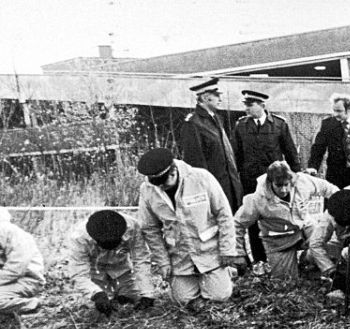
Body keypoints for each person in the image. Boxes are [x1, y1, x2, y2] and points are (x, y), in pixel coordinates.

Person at [137, 147, 245, 309]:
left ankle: (224, 274)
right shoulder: (147, 190)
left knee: (220, 296)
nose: (161, 188)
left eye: (164, 183)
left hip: (210, 252)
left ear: (173, 171)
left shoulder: (201, 177)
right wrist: (163, 262)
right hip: (180, 257)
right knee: (182, 300)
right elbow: (150, 229)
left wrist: (227, 250)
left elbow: (224, 214)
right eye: (157, 185)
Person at [234, 161, 338, 282]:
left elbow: (328, 188)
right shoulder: (258, 199)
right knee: (286, 282)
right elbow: (237, 224)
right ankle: (295, 267)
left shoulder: (302, 182)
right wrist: (238, 252)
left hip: (305, 228)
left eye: (286, 184)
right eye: (278, 185)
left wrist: (343, 204)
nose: (283, 190)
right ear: (270, 182)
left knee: (328, 244)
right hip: (279, 242)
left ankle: (308, 262)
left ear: (291, 180)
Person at [233, 89, 302, 269]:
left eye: (251, 105)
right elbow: (237, 155)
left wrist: (296, 174)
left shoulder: (279, 124)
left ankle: (283, 253)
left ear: (262, 105)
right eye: (245, 105)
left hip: (275, 182)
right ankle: (259, 260)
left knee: (277, 217)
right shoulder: (241, 126)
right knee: (252, 221)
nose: (247, 109)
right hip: (250, 181)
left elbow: (290, 152)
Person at [66, 210, 154, 315]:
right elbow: (78, 273)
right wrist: (96, 294)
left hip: (121, 266)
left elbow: (141, 259)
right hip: (95, 268)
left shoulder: (132, 227)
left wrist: (147, 293)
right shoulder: (79, 238)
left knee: (130, 298)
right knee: (101, 305)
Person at [180, 78, 243, 213]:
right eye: (216, 95)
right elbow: (195, 163)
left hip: (229, 188)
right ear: (205, 97)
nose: (220, 98)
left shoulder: (217, 119)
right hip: (213, 190)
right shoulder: (193, 123)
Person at [307, 186, 350, 297]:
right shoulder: (330, 214)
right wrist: (331, 271)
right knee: (314, 254)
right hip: (341, 238)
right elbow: (315, 243)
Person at [0, 207, 43, 329]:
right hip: (7, 281)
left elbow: (17, 268)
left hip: (27, 280)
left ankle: (31, 304)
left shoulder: (11, 233)